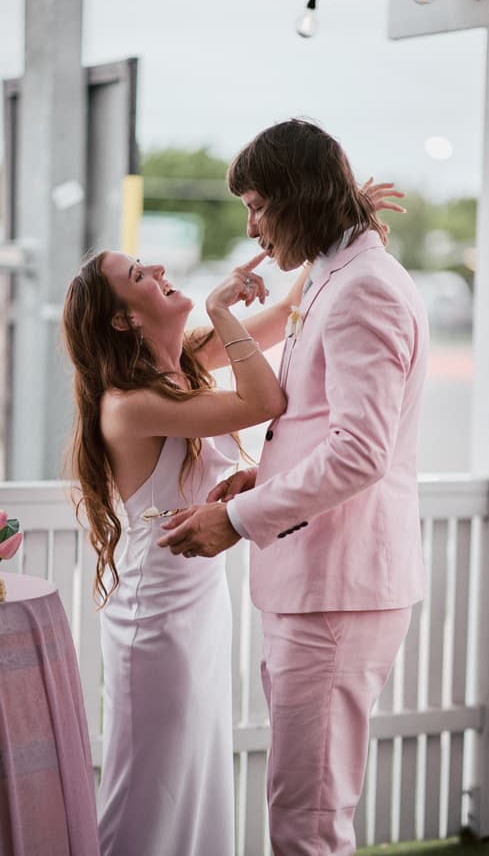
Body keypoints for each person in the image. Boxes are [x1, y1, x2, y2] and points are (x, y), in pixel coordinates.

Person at [61, 174, 399, 856]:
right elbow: (263, 400)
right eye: (138, 274)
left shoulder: (180, 364)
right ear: (124, 317)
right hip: (152, 618)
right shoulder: (129, 404)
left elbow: (290, 313)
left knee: (196, 775)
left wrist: (334, 218)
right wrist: (218, 309)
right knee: (147, 783)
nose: (157, 266)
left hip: (198, 605)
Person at [157, 119, 430, 855]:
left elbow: (360, 451)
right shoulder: (340, 273)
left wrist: (238, 518)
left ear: (299, 197)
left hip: (335, 588)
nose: (250, 225)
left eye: (257, 203)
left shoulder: (364, 288)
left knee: (306, 820)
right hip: (317, 581)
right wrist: (264, 473)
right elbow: (322, 424)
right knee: (302, 805)